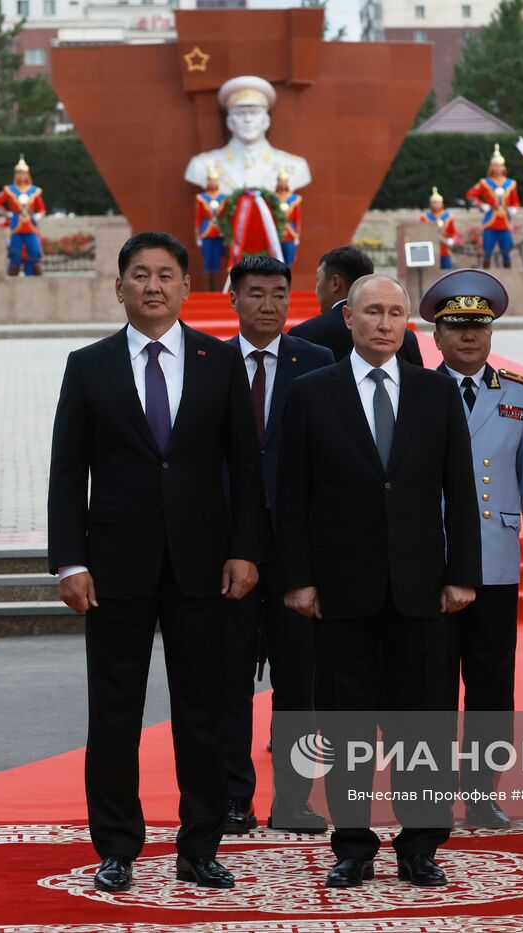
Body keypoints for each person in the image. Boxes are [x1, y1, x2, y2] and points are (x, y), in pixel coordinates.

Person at [48, 231, 264, 893]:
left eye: (165, 274)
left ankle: (201, 845)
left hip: (204, 565)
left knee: (204, 710)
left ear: (184, 286)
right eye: (139, 274)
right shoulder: (89, 366)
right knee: (114, 713)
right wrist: (68, 563)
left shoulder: (219, 361)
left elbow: (247, 468)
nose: (152, 285)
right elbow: (67, 473)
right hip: (114, 569)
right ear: (119, 287)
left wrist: (246, 548)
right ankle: (116, 845)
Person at [278, 273, 481, 889]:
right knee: (346, 724)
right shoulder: (312, 393)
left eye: (396, 313)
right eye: (373, 312)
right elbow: (291, 499)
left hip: (421, 587)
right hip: (341, 590)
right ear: (348, 318)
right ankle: (354, 845)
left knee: (422, 724)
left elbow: (460, 491)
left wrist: (463, 574)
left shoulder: (435, 393)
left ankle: (421, 845)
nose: (386, 323)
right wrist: (299, 580)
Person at [426, 269, 523, 828]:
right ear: (436, 336)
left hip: (498, 561)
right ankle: (428, 795)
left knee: (491, 685)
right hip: (431, 563)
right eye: (456, 327)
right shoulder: (415, 391)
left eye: (478, 327)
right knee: (430, 686)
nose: (468, 337)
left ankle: (482, 792)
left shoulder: (519, 397)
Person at [220, 254, 334, 837]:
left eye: (278, 294)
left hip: (299, 553)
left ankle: (295, 799)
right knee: (230, 682)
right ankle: (234, 798)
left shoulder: (316, 362)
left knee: (300, 685)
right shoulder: (208, 362)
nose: (268, 304)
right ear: (233, 300)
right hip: (228, 551)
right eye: (255, 294)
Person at [287, 246, 424, 366]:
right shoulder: (407, 338)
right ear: (348, 317)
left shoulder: (305, 334)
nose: (384, 327)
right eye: (373, 313)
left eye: (318, 280)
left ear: (335, 283)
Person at [184, 75, 311, 192]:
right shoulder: (202, 165)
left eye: (254, 113)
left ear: (266, 121)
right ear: (229, 122)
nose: (247, 119)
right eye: (240, 113)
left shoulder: (294, 166)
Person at [465, 144, 520, 269]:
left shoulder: (511, 183)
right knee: (487, 253)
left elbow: (516, 202)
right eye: (495, 165)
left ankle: (508, 279)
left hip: (505, 222)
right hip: (490, 222)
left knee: (507, 253)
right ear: (491, 167)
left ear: (503, 167)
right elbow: (470, 195)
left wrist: (513, 209)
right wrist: (482, 205)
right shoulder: (484, 182)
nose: (497, 168)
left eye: (500, 165)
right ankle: (486, 278)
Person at [0, 154, 45, 277]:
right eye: (19, 173)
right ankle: (12, 283)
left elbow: (42, 209)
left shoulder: (34, 190)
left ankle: (33, 279)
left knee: (34, 253)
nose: (21, 176)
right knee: (15, 254)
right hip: (16, 224)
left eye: (24, 173)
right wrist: (6, 213)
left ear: (27, 175)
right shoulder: (9, 190)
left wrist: (38, 216)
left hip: (30, 224)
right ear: (15, 175)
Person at [195, 166, 227, 292]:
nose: (212, 183)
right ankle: (208, 289)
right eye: (210, 180)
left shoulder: (223, 197)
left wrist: (226, 233)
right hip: (206, 232)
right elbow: (198, 217)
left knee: (218, 261)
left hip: (219, 232)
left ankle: (217, 289)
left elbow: (225, 216)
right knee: (207, 260)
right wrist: (197, 234)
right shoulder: (201, 197)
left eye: (214, 180)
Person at [421, 186, 458, 270]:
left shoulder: (448, 216)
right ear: (430, 204)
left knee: (447, 272)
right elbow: (422, 232)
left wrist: (451, 240)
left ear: (442, 203)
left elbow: (453, 232)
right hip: (431, 249)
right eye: (434, 202)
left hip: (444, 249)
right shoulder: (424, 217)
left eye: (438, 202)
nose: (436, 204)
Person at [274, 170, 302, 268]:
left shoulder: (294, 199)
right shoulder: (273, 198)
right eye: (280, 181)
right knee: (275, 260)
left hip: (290, 232)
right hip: (276, 231)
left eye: (284, 181)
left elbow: (297, 219)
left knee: (288, 261)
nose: (282, 183)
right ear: (277, 182)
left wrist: (297, 234)